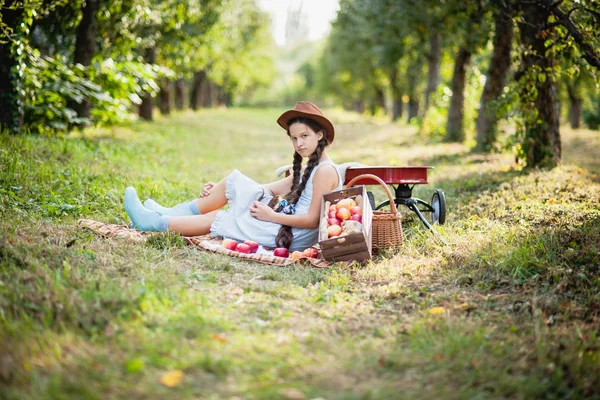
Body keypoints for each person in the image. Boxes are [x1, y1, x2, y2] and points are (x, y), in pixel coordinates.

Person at [124, 101, 342, 251]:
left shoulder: (324, 171)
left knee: (218, 218)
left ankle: (153, 222)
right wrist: (225, 190)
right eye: (294, 138)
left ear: (320, 135)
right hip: (285, 224)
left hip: (292, 233)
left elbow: (312, 220)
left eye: (304, 136)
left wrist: (271, 216)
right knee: (233, 182)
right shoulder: (312, 168)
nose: (299, 144)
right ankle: (166, 213)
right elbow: (271, 189)